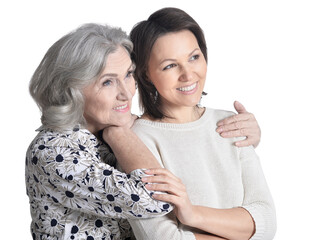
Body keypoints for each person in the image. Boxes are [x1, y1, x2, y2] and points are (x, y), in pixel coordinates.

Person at [26, 23, 262, 239]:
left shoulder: (116, 125)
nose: (126, 93)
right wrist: (118, 133)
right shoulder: (54, 150)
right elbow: (155, 200)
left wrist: (247, 137)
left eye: (128, 75)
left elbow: (191, 153)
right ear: (71, 90)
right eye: (107, 82)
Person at [127, 7, 277, 240]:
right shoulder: (139, 139)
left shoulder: (232, 124)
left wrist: (191, 215)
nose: (188, 74)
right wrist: (242, 231)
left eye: (194, 57)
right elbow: (163, 238)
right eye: (169, 65)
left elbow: (266, 222)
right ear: (146, 75)